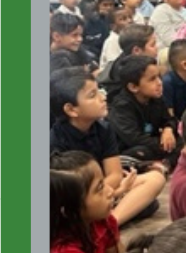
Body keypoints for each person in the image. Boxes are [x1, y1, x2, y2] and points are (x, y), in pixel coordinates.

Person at [52, 67, 163, 225]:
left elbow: (115, 174)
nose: (103, 97)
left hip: (102, 189)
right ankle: (104, 222)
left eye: (99, 90)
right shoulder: (55, 143)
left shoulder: (103, 128)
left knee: (155, 178)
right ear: (71, 109)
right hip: (76, 202)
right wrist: (116, 192)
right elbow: (71, 196)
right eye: (92, 95)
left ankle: (112, 222)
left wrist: (109, 190)